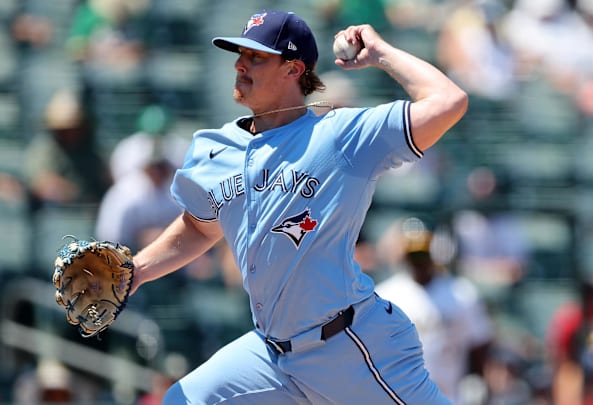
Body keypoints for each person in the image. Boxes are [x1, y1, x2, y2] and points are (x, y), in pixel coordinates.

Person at [127, 8, 468, 404]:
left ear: (293, 69)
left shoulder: (340, 136)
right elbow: (200, 226)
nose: (240, 64)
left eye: (256, 57)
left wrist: (380, 53)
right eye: (239, 54)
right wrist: (137, 271)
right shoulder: (213, 148)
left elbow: (449, 101)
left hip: (349, 347)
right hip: (270, 354)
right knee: (183, 400)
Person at [375, 218, 494, 404]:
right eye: (414, 256)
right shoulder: (386, 296)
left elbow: (478, 347)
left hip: (449, 394)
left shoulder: (461, 294)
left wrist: (479, 385)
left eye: (423, 255)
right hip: (400, 396)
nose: (419, 262)